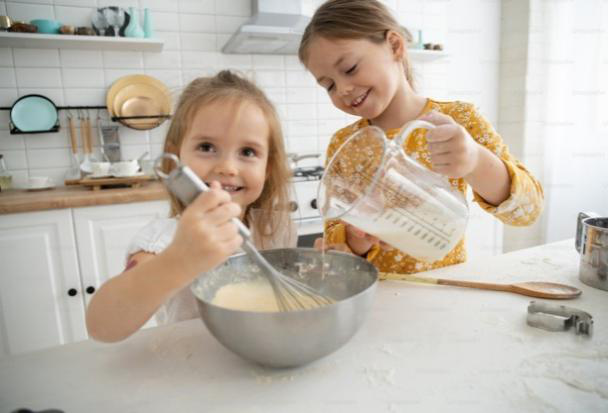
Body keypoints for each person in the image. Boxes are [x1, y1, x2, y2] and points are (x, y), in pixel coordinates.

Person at [298, 0, 544, 274]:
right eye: (328, 85)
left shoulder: (456, 121)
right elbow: (335, 240)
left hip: (445, 292)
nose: (342, 89)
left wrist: (475, 160)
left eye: (350, 68)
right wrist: (355, 240)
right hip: (378, 300)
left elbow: (527, 210)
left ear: (394, 46)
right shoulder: (344, 145)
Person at [86, 70, 295, 342]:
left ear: (267, 168)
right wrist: (181, 258)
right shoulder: (165, 239)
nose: (227, 167)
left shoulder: (273, 229)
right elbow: (102, 326)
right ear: (175, 158)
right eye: (207, 147)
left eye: (247, 152)